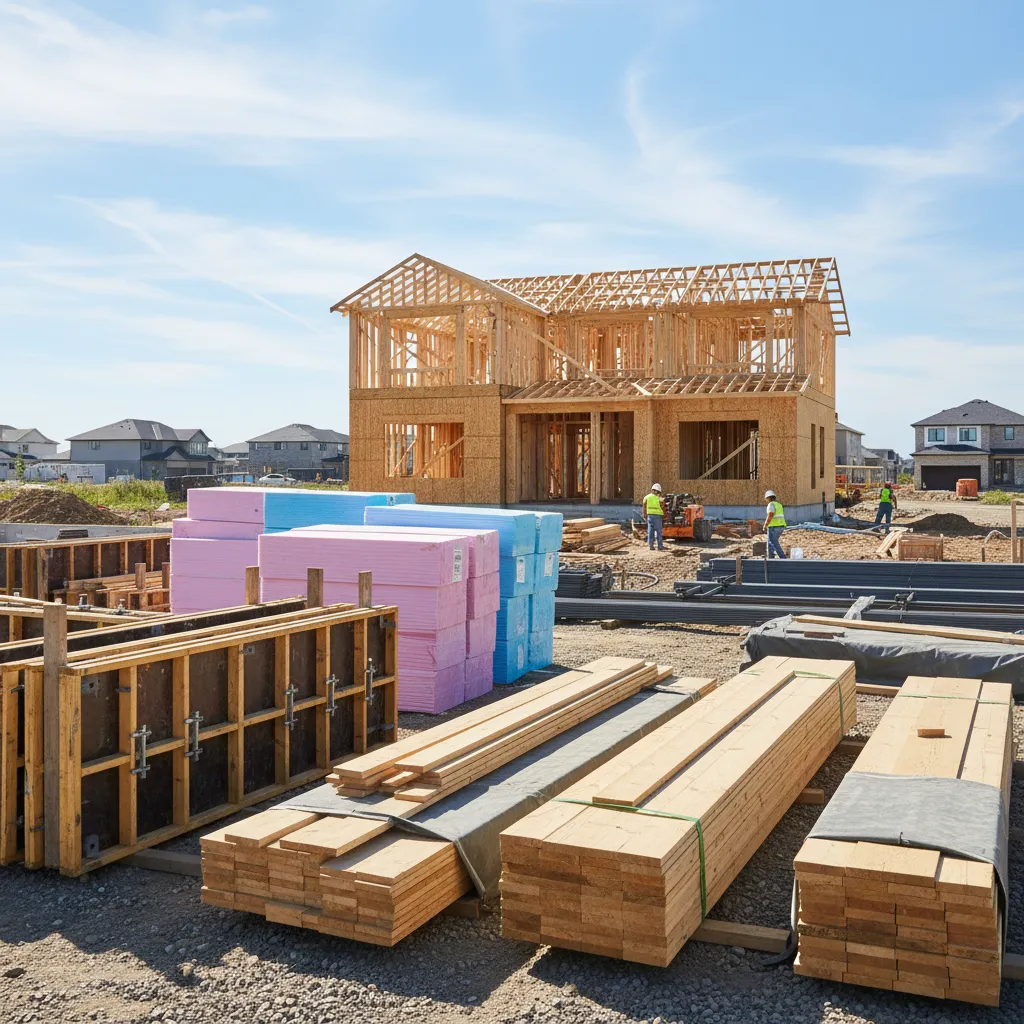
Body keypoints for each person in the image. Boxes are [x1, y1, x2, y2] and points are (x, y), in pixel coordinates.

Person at [763, 489, 788, 559]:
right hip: (781, 526)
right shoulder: (779, 505)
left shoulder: (771, 504)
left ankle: (783, 558)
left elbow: (770, 515)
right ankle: (771, 558)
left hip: (773, 527)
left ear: (768, 498)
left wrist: (765, 525)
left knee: (774, 543)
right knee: (770, 543)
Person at [643, 483, 666, 551]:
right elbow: (663, 508)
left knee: (650, 531)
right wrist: (665, 515)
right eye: (658, 492)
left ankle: (651, 545)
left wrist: (644, 515)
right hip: (658, 517)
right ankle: (660, 546)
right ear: (657, 491)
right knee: (659, 531)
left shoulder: (646, 497)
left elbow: (644, 507)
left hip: (649, 516)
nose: (659, 493)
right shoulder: (660, 499)